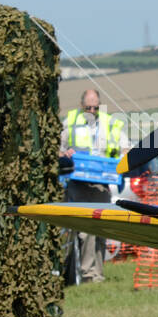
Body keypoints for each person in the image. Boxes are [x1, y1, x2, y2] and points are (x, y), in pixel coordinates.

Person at [61, 89, 129, 283]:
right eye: (88, 107)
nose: (92, 110)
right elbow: (58, 148)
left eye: (95, 107)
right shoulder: (71, 122)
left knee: (99, 230)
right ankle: (87, 274)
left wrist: (120, 157)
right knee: (85, 231)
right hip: (78, 183)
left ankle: (97, 274)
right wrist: (65, 153)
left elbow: (126, 148)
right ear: (81, 105)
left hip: (102, 184)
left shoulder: (111, 124)